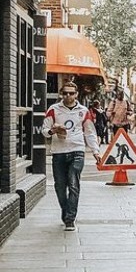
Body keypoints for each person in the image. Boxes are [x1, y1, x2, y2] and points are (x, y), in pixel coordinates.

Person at [42, 80, 100, 230]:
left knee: (73, 184)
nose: (68, 96)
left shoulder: (83, 111)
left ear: (76, 94)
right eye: (65, 93)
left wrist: (95, 151)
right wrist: (52, 131)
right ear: (62, 94)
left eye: (71, 93)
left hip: (77, 151)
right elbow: (44, 129)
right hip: (59, 152)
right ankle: (66, 210)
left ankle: (70, 219)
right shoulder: (54, 109)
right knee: (60, 187)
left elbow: (90, 132)